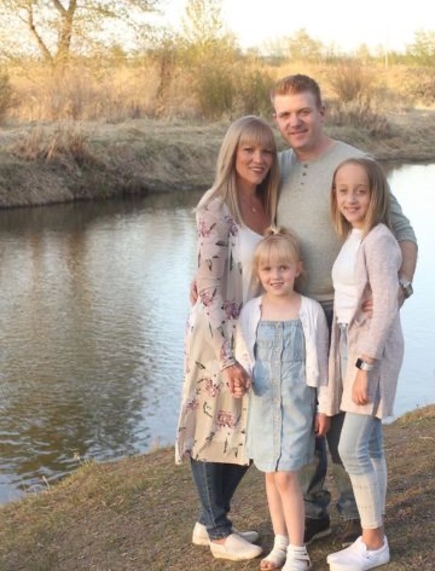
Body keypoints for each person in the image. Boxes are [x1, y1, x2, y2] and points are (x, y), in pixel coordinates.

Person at [270, 74, 418, 546]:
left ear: (322, 111)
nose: (295, 122)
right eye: (285, 115)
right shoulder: (276, 167)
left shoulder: (355, 163)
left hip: (346, 314)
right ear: (277, 119)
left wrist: (400, 287)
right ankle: (311, 512)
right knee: (304, 417)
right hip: (295, 312)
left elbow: (402, 231)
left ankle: (358, 512)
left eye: (303, 111)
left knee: (345, 423)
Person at [175, 115, 280, 561]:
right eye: (248, 150)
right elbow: (210, 286)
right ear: (232, 154)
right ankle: (218, 532)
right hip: (217, 333)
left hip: (254, 328)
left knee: (251, 426)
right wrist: (227, 357)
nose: (258, 159)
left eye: (266, 151)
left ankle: (208, 521)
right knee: (212, 425)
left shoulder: (267, 200)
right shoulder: (216, 206)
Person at [320, 157, 404, 570]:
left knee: (350, 448)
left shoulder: (379, 240)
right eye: (343, 191)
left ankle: (373, 543)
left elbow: (386, 306)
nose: (351, 199)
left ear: (376, 194)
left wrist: (365, 367)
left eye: (360, 191)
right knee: (369, 446)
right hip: (350, 347)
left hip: (370, 353)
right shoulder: (355, 236)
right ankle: (375, 534)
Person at [235, 227, 330, 571]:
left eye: (283, 268)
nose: (275, 276)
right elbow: (244, 356)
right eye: (268, 269)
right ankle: (281, 542)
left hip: (296, 406)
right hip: (262, 406)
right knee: (271, 476)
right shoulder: (251, 311)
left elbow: (322, 363)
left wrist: (323, 407)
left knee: (288, 476)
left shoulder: (310, 311)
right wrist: (240, 380)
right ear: (258, 273)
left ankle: (299, 552)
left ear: (297, 269)